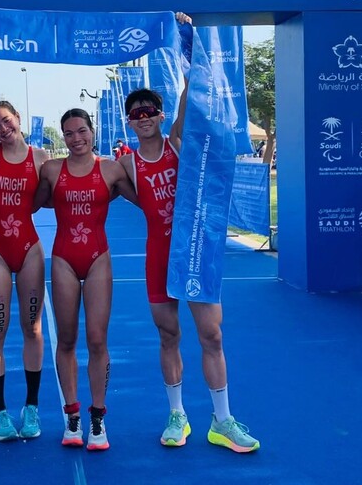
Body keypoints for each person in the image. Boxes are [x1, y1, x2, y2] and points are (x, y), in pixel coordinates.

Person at [118, 84, 260, 453]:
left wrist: (192, 42)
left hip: (194, 254)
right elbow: (81, 184)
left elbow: (189, 94)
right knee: (169, 337)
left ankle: (222, 420)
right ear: (129, 123)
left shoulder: (178, 143)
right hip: (158, 258)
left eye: (150, 110)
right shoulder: (125, 164)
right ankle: (177, 414)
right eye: (136, 114)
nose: (144, 117)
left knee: (212, 335)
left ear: (161, 115)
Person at [34, 108, 137, 451]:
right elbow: (28, 203)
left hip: (98, 259)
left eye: (82, 131)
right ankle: (72, 414)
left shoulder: (111, 169)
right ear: (62, 137)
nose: (76, 138)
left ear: (92, 131)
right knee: (66, 340)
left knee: (96, 340)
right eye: (69, 133)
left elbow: (149, 200)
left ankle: (98, 416)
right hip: (63, 258)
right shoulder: (51, 169)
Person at [0, 101, 49, 442]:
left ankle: (31, 407)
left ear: (18, 117)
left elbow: (48, 198)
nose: (2, 128)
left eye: (6, 121)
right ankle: (0, 413)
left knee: (32, 329)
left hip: (29, 249)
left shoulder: (41, 158)